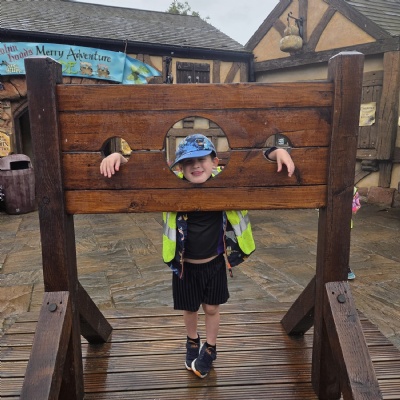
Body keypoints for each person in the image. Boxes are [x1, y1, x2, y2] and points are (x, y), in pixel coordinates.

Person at [100, 134, 295, 378]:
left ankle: (211, 347)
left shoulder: (228, 182)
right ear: (179, 168)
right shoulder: (169, 187)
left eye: (202, 159)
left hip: (215, 264)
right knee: (189, 308)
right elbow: (141, 174)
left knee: (212, 308)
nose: (195, 166)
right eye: (188, 162)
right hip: (184, 265)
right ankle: (192, 340)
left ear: (215, 162)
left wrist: (277, 152)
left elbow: (253, 165)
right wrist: (118, 157)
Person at [348, 186, 361, 280]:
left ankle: (345, 267)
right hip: (327, 223)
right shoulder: (353, 189)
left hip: (345, 224)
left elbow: (354, 209)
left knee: (343, 247)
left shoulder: (353, 190)